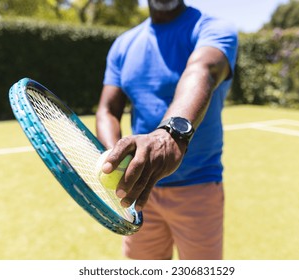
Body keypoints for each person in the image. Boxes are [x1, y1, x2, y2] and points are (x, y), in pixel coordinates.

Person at [96, 0, 238, 260]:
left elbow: (203, 70)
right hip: (137, 194)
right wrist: (116, 159)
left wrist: (171, 133)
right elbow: (107, 110)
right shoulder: (123, 44)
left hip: (197, 186)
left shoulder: (214, 29)